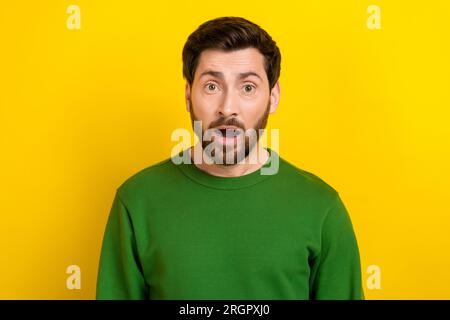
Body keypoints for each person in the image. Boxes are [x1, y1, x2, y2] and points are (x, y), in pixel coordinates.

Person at [96, 16, 364, 300]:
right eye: (212, 86)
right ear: (188, 95)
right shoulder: (136, 202)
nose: (227, 108)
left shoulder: (321, 209)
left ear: (273, 97)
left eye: (248, 87)